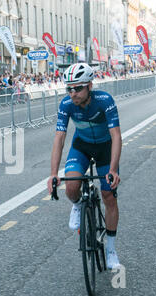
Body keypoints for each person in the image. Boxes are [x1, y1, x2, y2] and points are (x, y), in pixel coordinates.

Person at [46, 63, 122, 269]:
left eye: (77, 88)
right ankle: (78, 205)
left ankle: (111, 249)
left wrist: (113, 169)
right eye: (68, 88)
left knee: (109, 197)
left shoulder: (104, 101)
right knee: (71, 187)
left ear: (89, 85)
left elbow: (116, 135)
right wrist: (53, 173)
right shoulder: (66, 105)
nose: (73, 93)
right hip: (82, 147)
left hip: (105, 149)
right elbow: (59, 138)